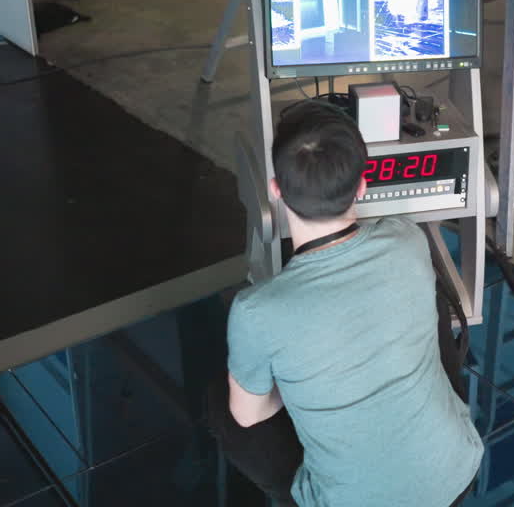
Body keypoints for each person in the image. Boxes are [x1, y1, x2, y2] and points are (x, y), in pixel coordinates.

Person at [206, 101, 483, 507]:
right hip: (458, 474)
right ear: (362, 186)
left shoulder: (255, 311)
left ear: (276, 190)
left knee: (224, 403)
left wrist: (303, 379)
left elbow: (249, 415)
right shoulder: (407, 239)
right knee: (433, 303)